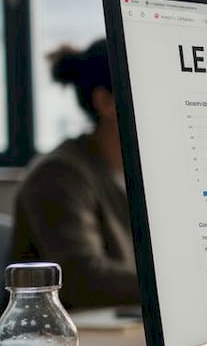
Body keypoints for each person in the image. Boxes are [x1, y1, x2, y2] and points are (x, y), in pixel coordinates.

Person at [9, 40, 140, 309]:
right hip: (57, 342)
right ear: (105, 102)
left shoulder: (133, 176)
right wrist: (177, 288)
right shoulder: (58, 175)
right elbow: (83, 278)